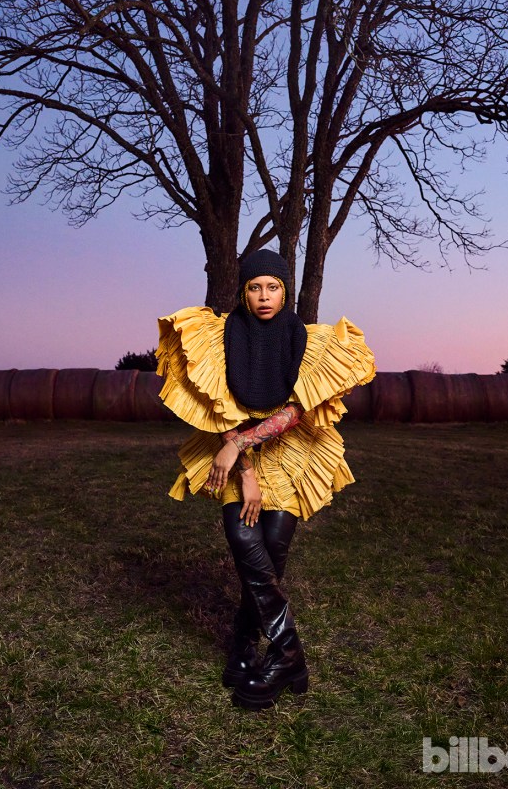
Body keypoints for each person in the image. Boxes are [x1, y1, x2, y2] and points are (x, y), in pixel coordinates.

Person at [156, 249, 375, 710]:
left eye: (272, 287)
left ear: (284, 290)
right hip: (239, 458)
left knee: (269, 562)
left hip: (292, 451)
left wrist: (239, 445)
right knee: (243, 540)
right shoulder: (220, 334)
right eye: (255, 287)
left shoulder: (307, 340)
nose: (263, 296)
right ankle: (289, 653)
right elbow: (218, 405)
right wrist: (243, 463)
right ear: (243, 291)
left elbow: (296, 412)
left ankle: (243, 646)